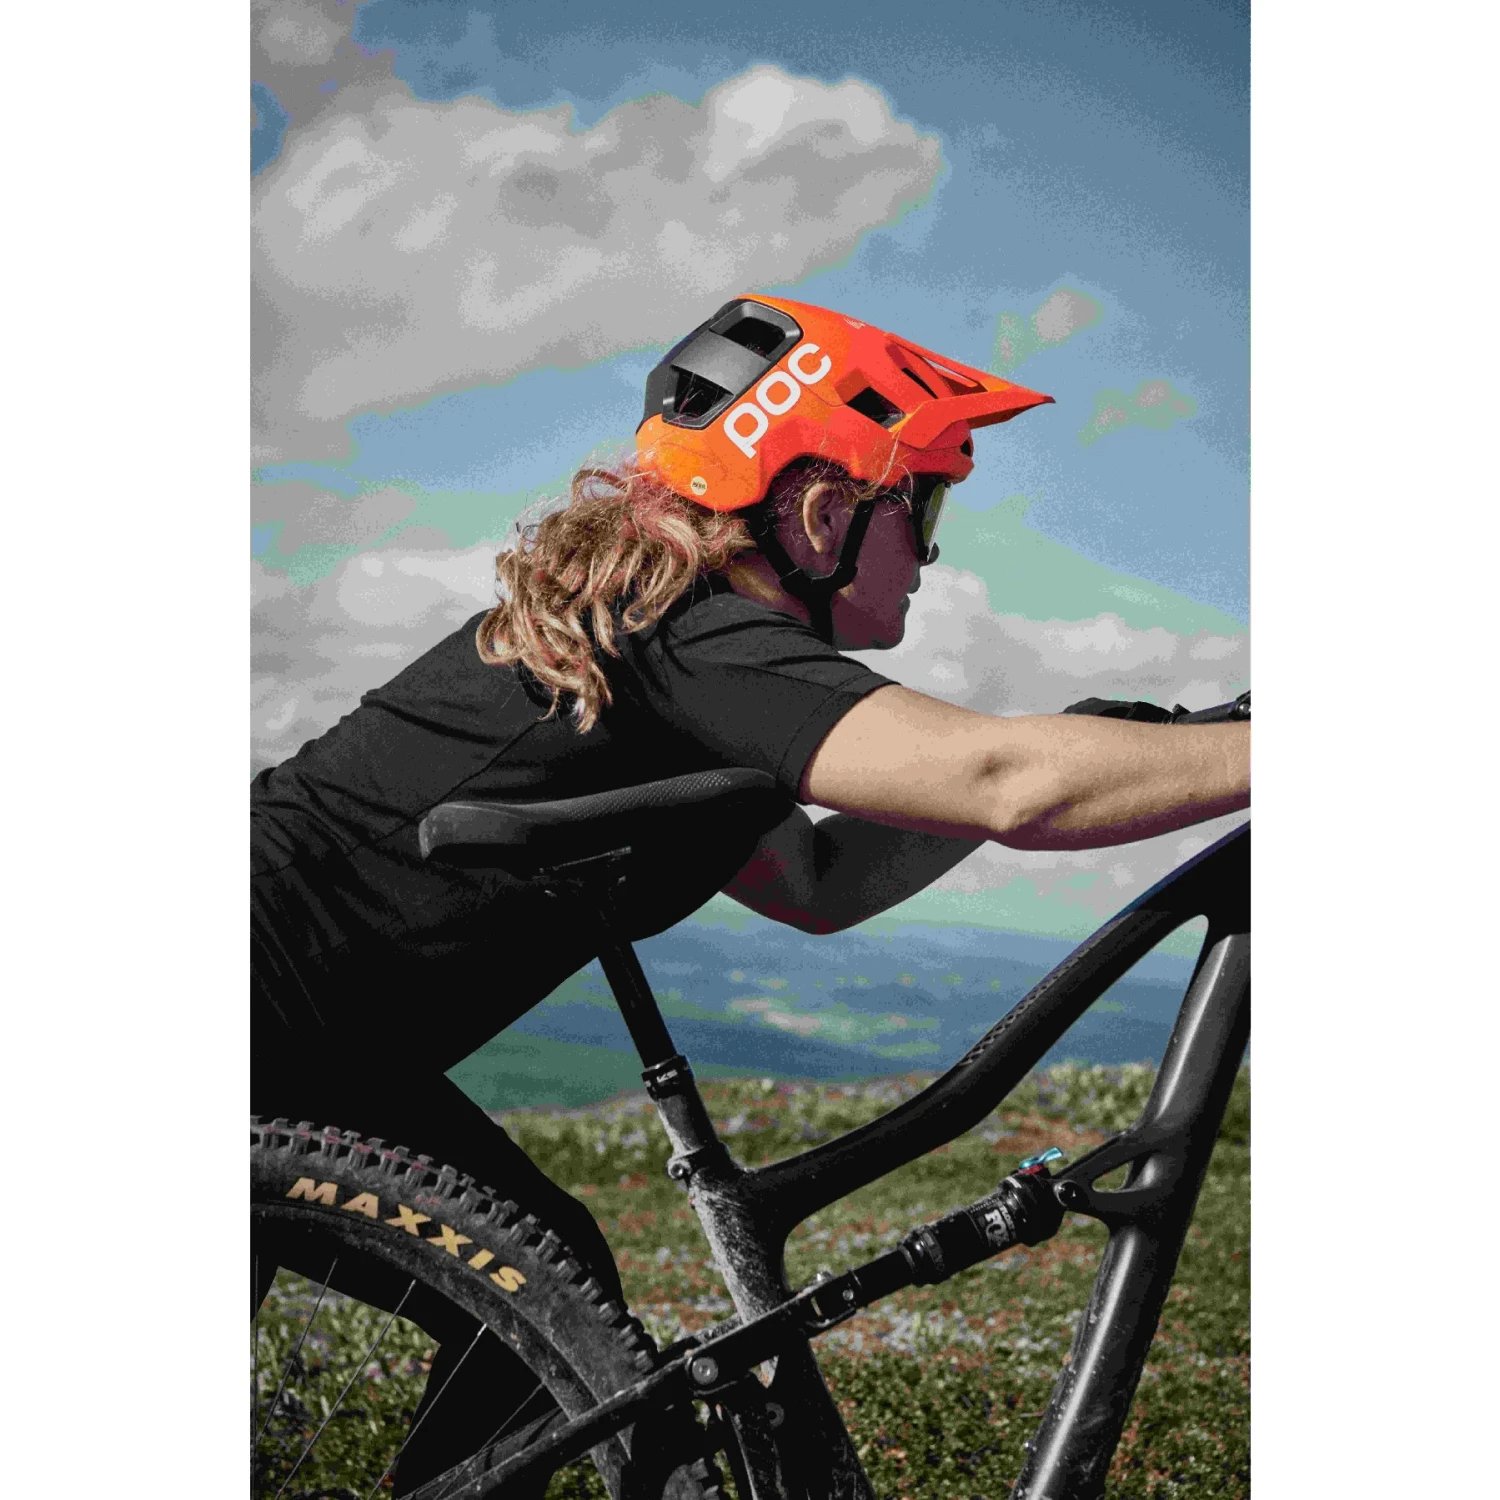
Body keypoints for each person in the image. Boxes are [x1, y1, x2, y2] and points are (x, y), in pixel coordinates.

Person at [251, 293, 1250, 1489]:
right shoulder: (694, 637)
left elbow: (819, 879)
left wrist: (1097, 739)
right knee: (534, 1311)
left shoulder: (673, 647)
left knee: (542, 1302)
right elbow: (1006, 782)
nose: (931, 556)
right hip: (258, 1013)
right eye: (923, 509)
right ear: (825, 514)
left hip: (304, 1040)